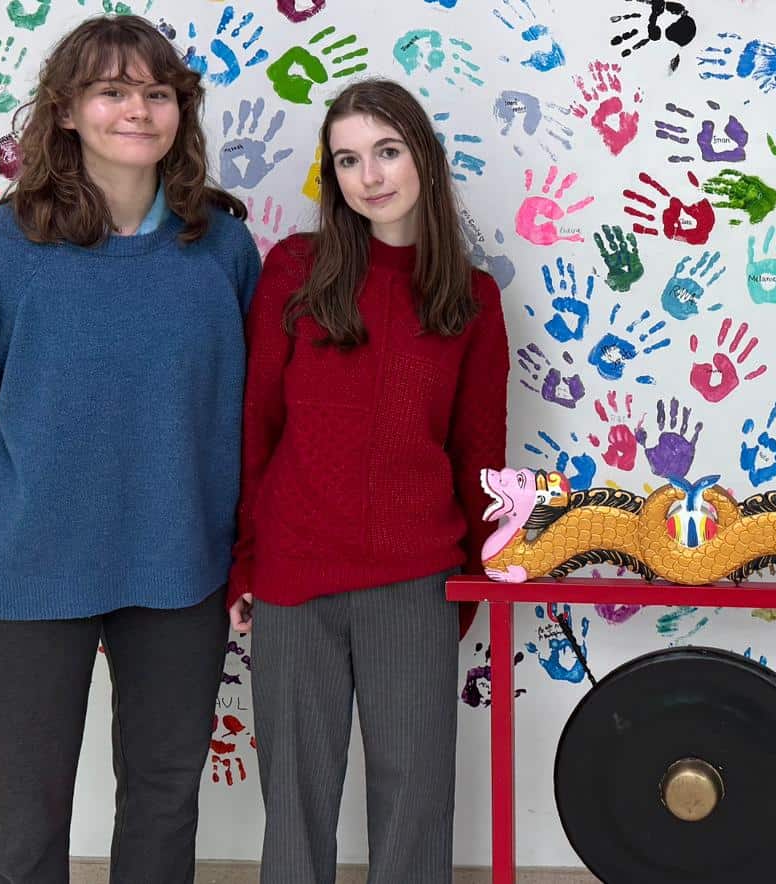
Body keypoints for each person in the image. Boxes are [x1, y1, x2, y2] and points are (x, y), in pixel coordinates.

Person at [0, 15, 260, 884]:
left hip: (180, 560)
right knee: (20, 806)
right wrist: (20, 503)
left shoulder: (221, 247)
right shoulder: (2, 250)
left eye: (157, 93)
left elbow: (250, 405)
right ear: (67, 110)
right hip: (28, 564)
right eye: (112, 91)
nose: (137, 110)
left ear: (180, 110)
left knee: (162, 792)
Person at [227, 78, 509, 883]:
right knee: (295, 806)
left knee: (416, 804)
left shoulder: (472, 300)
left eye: (387, 151)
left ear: (423, 155)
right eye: (347, 160)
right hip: (293, 576)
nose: (370, 176)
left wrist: (475, 582)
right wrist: (244, 563)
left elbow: (479, 457)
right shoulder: (294, 271)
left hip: (417, 581)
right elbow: (257, 430)